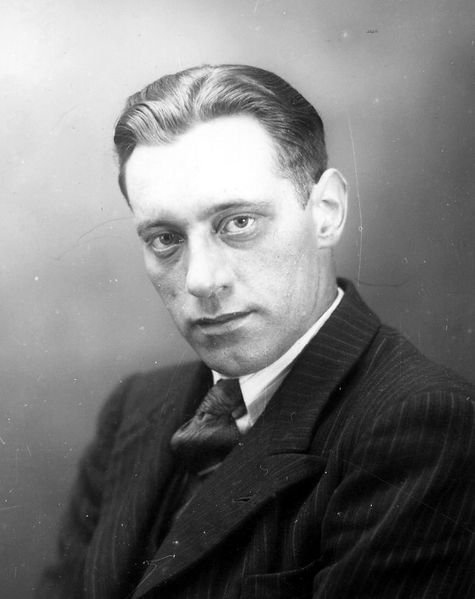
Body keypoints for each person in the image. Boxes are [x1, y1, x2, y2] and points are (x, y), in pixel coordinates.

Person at [37, 64, 475, 599]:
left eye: (238, 223)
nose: (202, 280)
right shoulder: (134, 408)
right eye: (165, 238)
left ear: (327, 212)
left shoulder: (424, 425)